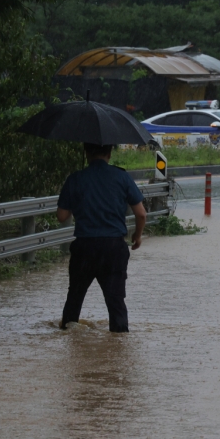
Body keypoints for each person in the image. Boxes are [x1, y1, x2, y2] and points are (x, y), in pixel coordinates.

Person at [57, 143, 147, 333]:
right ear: (110, 153)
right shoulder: (122, 177)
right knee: (115, 301)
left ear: (86, 152)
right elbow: (141, 214)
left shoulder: (76, 179)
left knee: (75, 297)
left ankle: (68, 338)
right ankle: (119, 341)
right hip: (113, 248)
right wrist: (137, 236)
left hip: (84, 247)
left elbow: (62, 216)